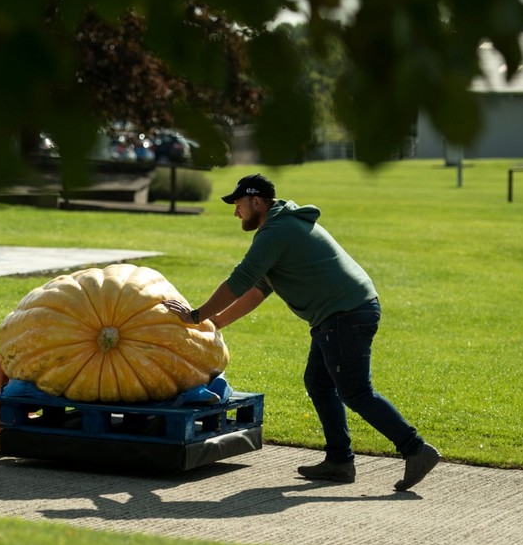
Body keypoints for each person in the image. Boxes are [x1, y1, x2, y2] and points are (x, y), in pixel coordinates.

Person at [163, 174, 440, 491]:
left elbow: (239, 281)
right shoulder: (282, 227)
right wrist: (217, 323)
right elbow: (256, 291)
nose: (236, 213)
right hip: (339, 314)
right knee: (319, 383)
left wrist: (197, 315)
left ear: (256, 201)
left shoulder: (276, 232)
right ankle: (339, 461)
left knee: (355, 391)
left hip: (344, 314)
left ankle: (415, 449)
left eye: (239, 205)